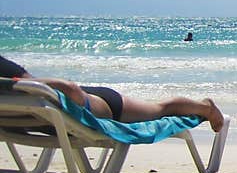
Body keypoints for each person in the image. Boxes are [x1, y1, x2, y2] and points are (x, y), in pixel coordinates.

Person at [0, 54, 225, 132]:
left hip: (100, 106)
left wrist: (17, 82)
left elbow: (68, 88)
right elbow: (65, 87)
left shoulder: (20, 86)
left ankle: (205, 107)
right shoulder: (21, 85)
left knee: (161, 109)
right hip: (67, 109)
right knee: (159, 108)